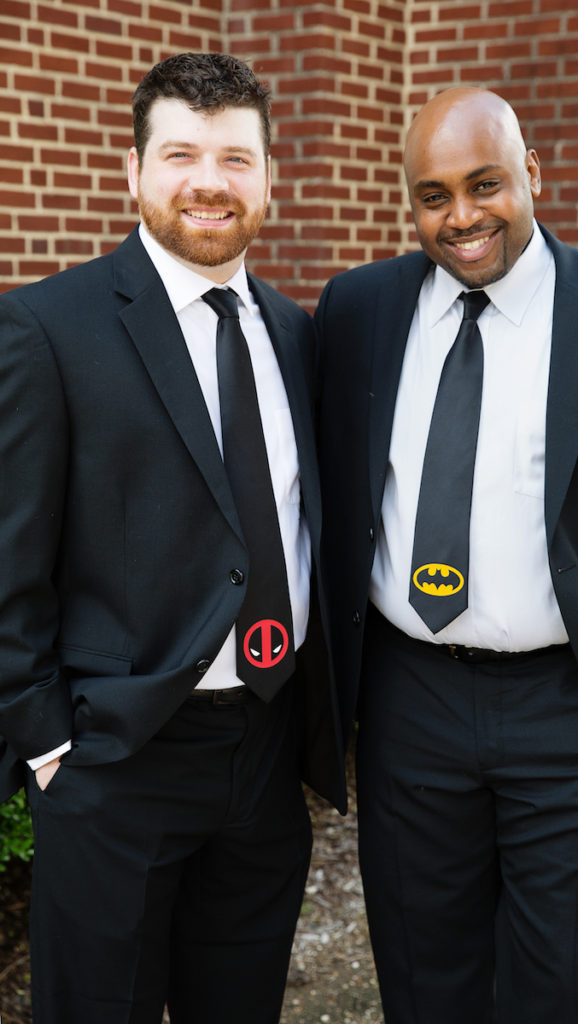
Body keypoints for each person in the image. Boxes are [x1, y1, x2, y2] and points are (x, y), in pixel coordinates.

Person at [315, 86, 578, 1024]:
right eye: (432, 195)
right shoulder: (358, 311)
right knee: (422, 978)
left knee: (567, 992)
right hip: (411, 705)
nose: (461, 215)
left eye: (484, 183)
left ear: (531, 175)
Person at [0, 52, 345, 1024]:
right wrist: (48, 741)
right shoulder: (45, 329)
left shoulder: (293, 331)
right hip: (116, 762)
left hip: (266, 756)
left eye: (236, 158)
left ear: (268, 177)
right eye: (181, 153)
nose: (208, 180)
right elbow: (8, 558)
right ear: (134, 171)